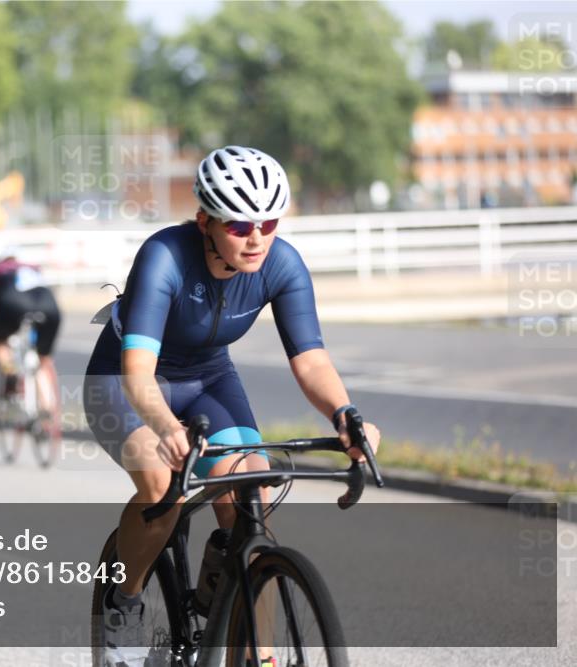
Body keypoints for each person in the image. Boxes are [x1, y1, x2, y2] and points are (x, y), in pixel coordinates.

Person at [82, 146, 382, 667]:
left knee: (254, 487)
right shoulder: (165, 256)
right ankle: (124, 601)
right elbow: (137, 373)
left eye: (268, 222)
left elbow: (311, 362)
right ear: (205, 221)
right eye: (240, 225)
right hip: (127, 381)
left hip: (208, 380)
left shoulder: (281, 263)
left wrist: (345, 416)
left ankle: (246, 639)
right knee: (160, 485)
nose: (257, 237)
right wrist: (164, 426)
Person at [0, 247, 62, 411]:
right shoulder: (34, 268)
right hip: (50, 307)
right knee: (43, 359)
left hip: (13, 303)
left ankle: (10, 372)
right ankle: (47, 410)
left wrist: (2, 329)